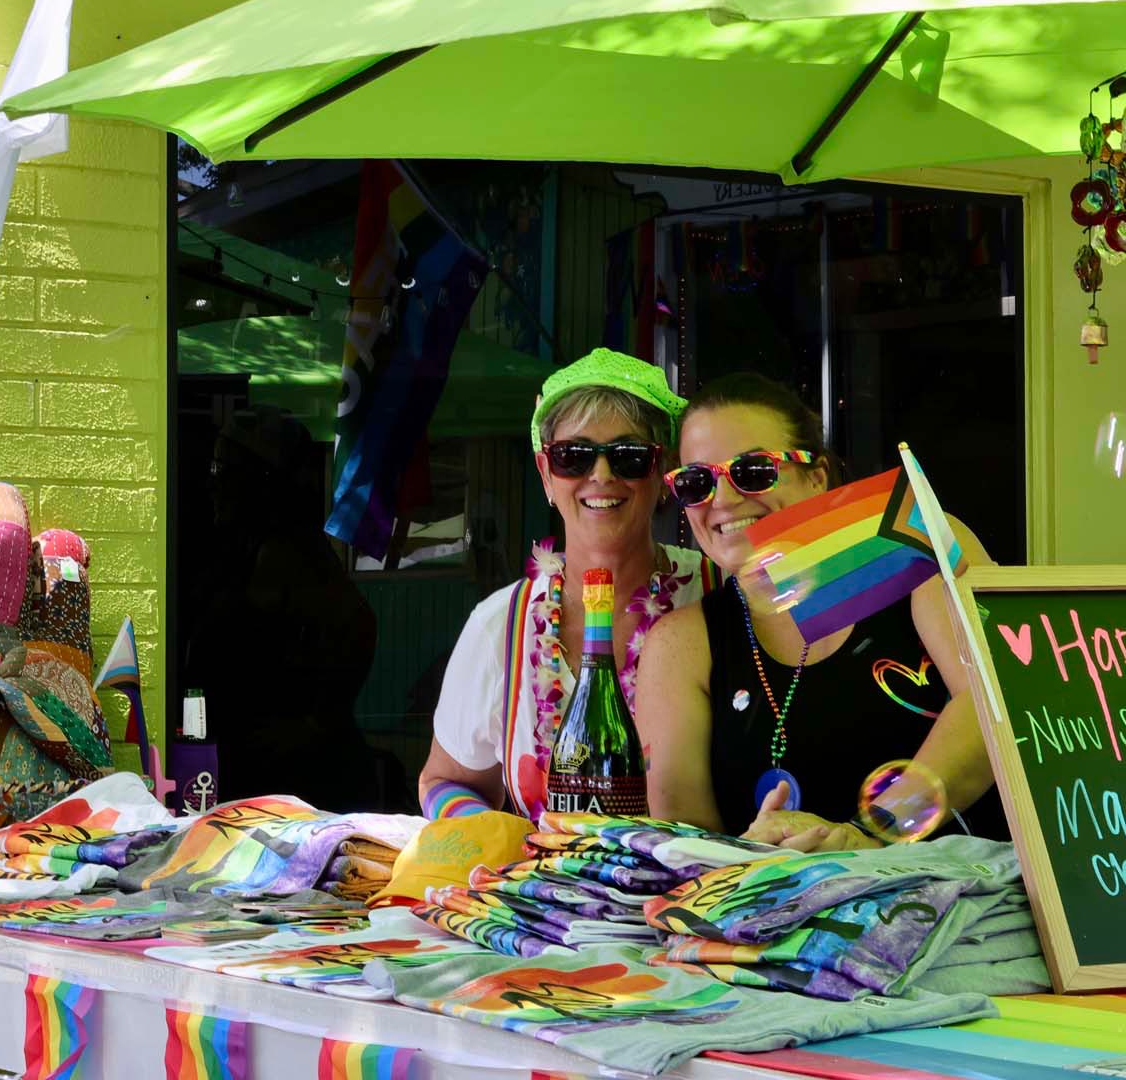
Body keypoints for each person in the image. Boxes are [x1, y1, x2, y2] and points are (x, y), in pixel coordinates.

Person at [635, 372, 998, 850]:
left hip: (958, 903)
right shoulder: (682, 643)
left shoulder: (910, 541)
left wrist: (866, 838)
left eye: (753, 470)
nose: (721, 499)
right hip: (779, 915)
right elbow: (686, 839)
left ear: (817, 476)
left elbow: (993, 702)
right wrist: (760, 853)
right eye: (696, 482)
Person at [420, 349, 722, 821]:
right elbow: (443, 781)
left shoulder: (721, 595)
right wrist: (497, 843)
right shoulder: (500, 625)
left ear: (661, 475)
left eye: (628, 457)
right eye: (573, 457)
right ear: (546, 474)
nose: (600, 475)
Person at [182, 405, 383, 809]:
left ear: (260, 482)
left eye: (223, 471)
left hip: (298, 784)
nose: (211, 484)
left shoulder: (291, 554)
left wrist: (314, 723)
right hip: (243, 771)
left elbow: (360, 622)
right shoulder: (234, 551)